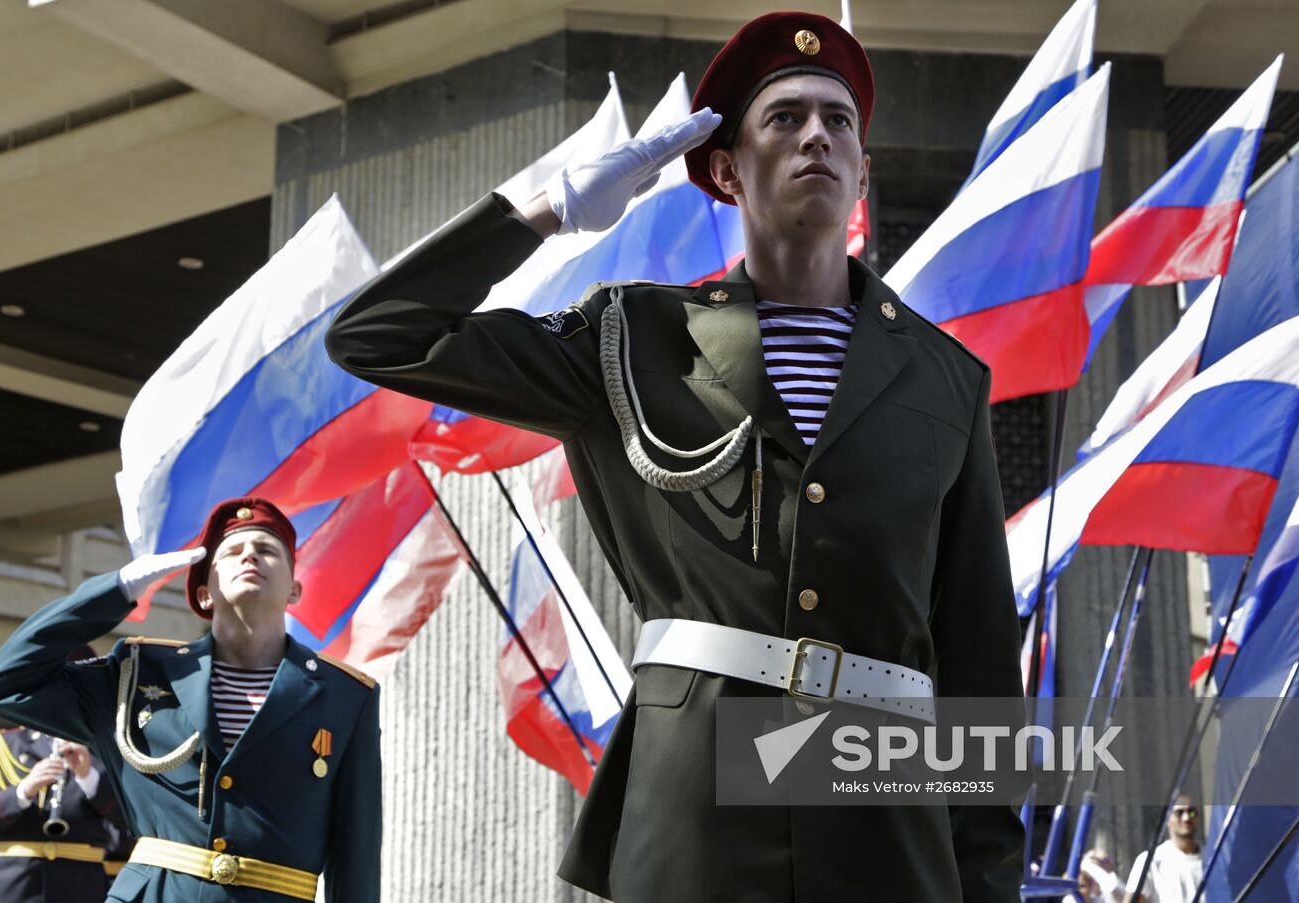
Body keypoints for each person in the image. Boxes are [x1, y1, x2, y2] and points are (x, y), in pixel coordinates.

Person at [326, 10, 1022, 901]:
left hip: (886, 812)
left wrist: (990, 883)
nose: (817, 133)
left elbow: (979, 664)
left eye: (837, 120)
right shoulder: (629, 336)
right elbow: (377, 337)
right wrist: (545, 211)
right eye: (784, 118)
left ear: (863, 172)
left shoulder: (945, 377)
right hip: (698, 799)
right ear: (726, 170)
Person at [0, 498, 382, 902]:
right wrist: (115, 591)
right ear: (204, 594)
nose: (250, 557)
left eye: (267, 550)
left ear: (294, 590)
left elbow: (356, 851)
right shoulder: (136, 673)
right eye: (233, 551)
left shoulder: (344, 696)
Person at [0, 724, 126, 903]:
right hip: (14, 885)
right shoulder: (5, 743)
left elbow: (130, 821)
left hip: (81, 885)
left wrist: (89, 778)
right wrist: (24, 790)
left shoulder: (106, 747)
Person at [1125, 796, 1203, 903]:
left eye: (1192, 812)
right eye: (1179, 813)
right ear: (1167, 818)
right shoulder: (1149, 861)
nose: (1186, 818)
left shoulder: (1213, 858)